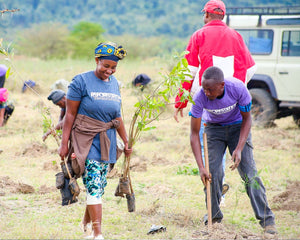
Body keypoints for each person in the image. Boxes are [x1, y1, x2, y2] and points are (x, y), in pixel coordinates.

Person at [173, 0, 256, 204]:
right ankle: (219, 191)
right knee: (236, 156)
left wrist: (181, 101)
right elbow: (250, 68)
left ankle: (216, 196)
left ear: (207, 15)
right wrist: (235, 91)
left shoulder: (199, 35)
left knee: (208, 151)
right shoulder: (236, 36)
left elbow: (189, 69)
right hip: (233, 105)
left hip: (206, 104)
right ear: (223, 16)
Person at [190, 66, 277, 234]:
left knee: (250, 175)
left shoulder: (238, 88)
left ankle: (268, 221)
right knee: (212, 174)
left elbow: (247, 119)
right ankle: (214, 219)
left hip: (238, 128)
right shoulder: (200, 96)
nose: (206, 93)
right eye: (204, 88)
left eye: (210, 89)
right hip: (213, 130)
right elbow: (194, 134)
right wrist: (201, 167)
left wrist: (239, 148)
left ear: (222, 85)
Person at [59, 42, 132, 240]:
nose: (109, 70)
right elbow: (70, 114)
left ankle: (86, 223)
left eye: (113, 67)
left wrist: (125, 141)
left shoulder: (114, 83)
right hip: (86, 139)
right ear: (96, 60)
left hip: (107, 140)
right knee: (93, 184)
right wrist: (64, 143)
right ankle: (98, 234)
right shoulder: (80, 81)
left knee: (99, 186)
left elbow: (117, 117)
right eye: (106, 66)